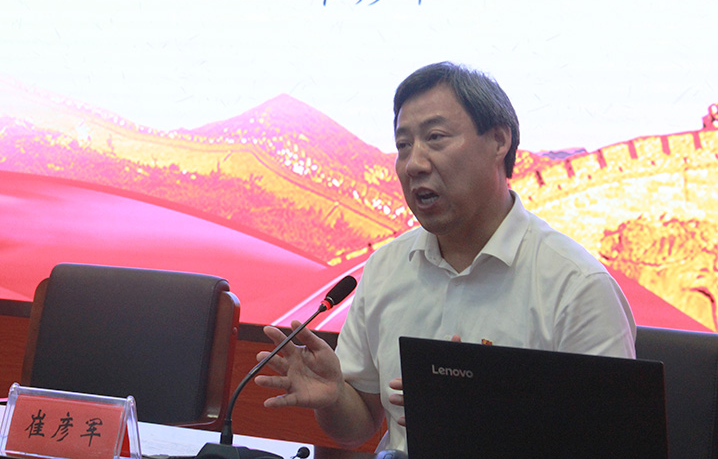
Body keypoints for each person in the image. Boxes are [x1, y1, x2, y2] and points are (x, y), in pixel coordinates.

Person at [255, 61, 636, 453]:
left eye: (435, 138)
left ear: (499, 141)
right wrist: (335, 396)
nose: (414, 164)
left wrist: (502, 423)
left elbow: (614, 444)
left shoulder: (577, 286)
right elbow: (358, 426)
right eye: (403, 146)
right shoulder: (386, 267)